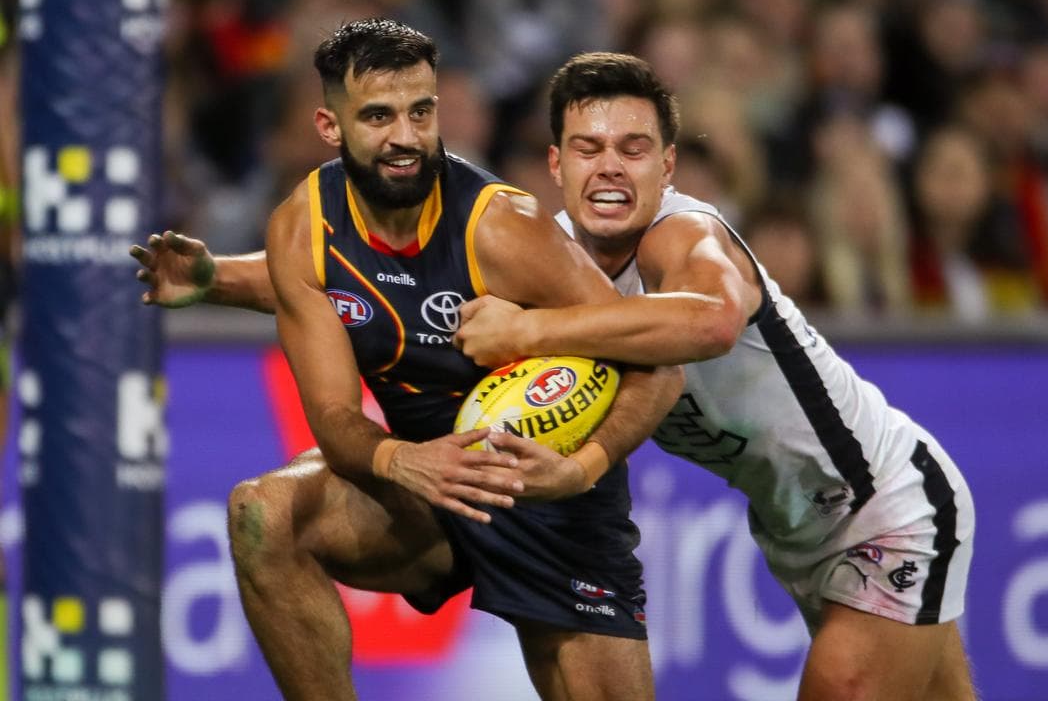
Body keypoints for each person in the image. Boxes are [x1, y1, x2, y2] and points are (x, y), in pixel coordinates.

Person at [136, 52, 976, 699]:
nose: (611, 167)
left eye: (635, 149)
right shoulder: (543, 247)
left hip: (883, 504)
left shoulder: (688, 239)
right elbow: (341, 279)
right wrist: (219, 278)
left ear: (670, 166)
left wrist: (533, 329)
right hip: (795, 522)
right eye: (589, 149)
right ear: (557, 164)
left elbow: (710, 323)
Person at [135, 19, 683, 701]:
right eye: (378, 116)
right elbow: (334, 417)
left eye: (421, 112)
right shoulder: (302, 230)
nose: (406, 137)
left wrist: (578, 470)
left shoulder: (503, 228)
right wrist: (406, 461)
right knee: (263, 513)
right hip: (423, 489)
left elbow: (659, 364)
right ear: (329, 127)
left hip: (550, 503)